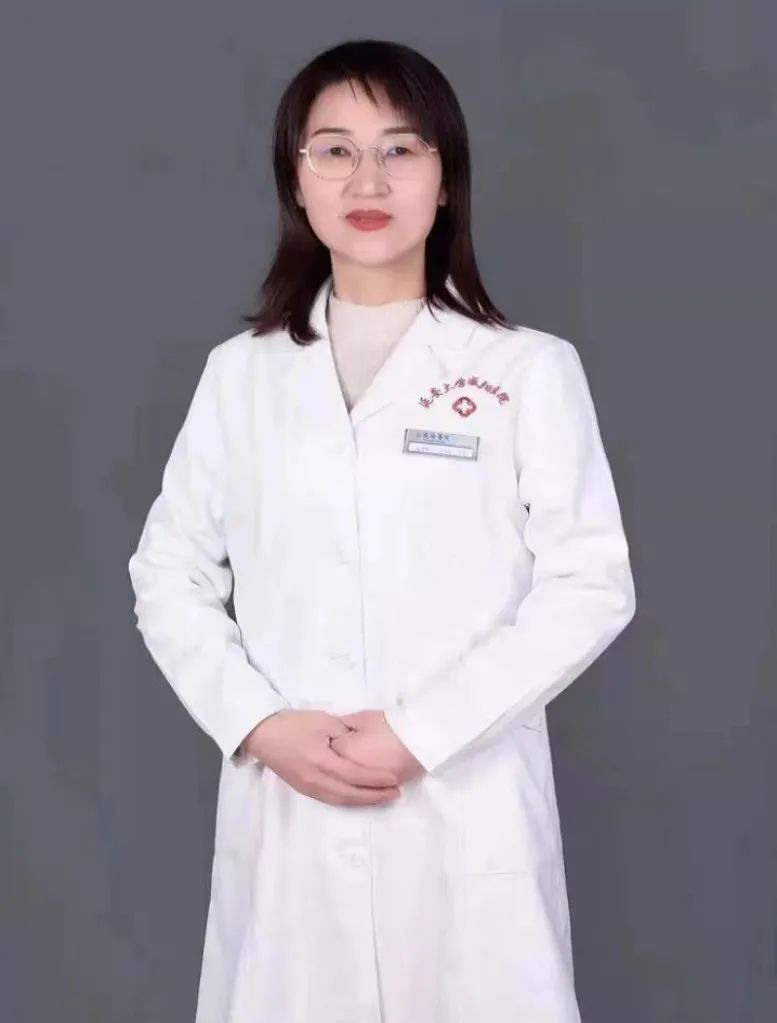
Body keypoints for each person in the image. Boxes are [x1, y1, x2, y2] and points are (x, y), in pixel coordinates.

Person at [128, 37, 636, 1023]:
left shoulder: (525, 371)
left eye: (400, 149)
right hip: (291, 817)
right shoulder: (241, 375)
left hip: (466, 810)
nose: (367, 180)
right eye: (334, 151)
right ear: (297, 182)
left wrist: (422, 732)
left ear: (446, 181)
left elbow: (589, 584)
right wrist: (258, 723)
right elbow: (168, 572)